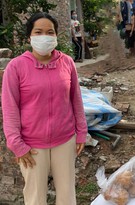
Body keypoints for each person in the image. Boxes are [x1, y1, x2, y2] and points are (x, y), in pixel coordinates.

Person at [1, 12, 88, 205]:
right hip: (31, 146)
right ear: (29, 36)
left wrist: (81, 132)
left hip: (65, 140)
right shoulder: (16, 67)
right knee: (35, 198)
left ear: (56, 36)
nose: (44, 36)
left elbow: (76, 100)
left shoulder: (67, 62)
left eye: (50, 32)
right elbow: (10, 109)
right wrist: (17, 145)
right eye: (38, 32)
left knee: (67, 196)